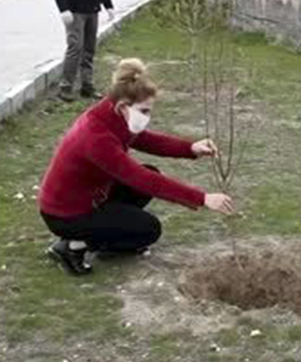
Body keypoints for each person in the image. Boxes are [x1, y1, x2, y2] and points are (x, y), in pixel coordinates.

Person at [38, 58, 236, 275]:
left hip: (90, 197)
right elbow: (140, 178)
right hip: (65, 214)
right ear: (124, 106)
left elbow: (146, 140)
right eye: (144, 111)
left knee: (151, 172)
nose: (147, 118)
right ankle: (73, 246)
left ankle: (96, 234)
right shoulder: (96, 137)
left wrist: (190, 148)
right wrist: (202, 198)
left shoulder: (112, 113)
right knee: (147, 230)